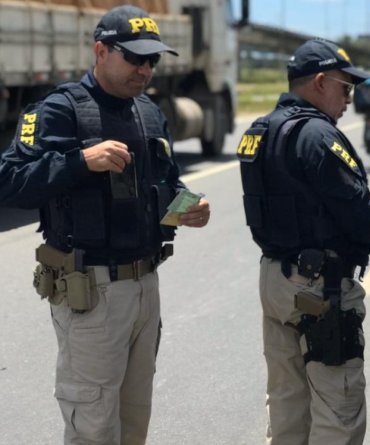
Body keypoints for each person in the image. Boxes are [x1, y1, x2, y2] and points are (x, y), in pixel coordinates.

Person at [0, 5, 210, 444]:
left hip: (144, 286)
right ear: (100, 51)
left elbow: (166, 180)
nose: (146, 69)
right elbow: (10, 182)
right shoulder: (59, 109)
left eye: (152, 60)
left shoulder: (148, 112)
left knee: (134, 422)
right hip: (91, 291)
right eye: (135, 58)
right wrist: (79, 162)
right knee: (94, 426)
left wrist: (190, 206)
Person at [237, 38, 370, 444]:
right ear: (320, 82)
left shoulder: (260, 131)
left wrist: (367, 202)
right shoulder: (320, 135)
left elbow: (298, 200)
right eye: (345, 87)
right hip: (321, 290)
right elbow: (364, 220)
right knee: (338, 408)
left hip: (276, 281)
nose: (350, 99)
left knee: (287, 402)